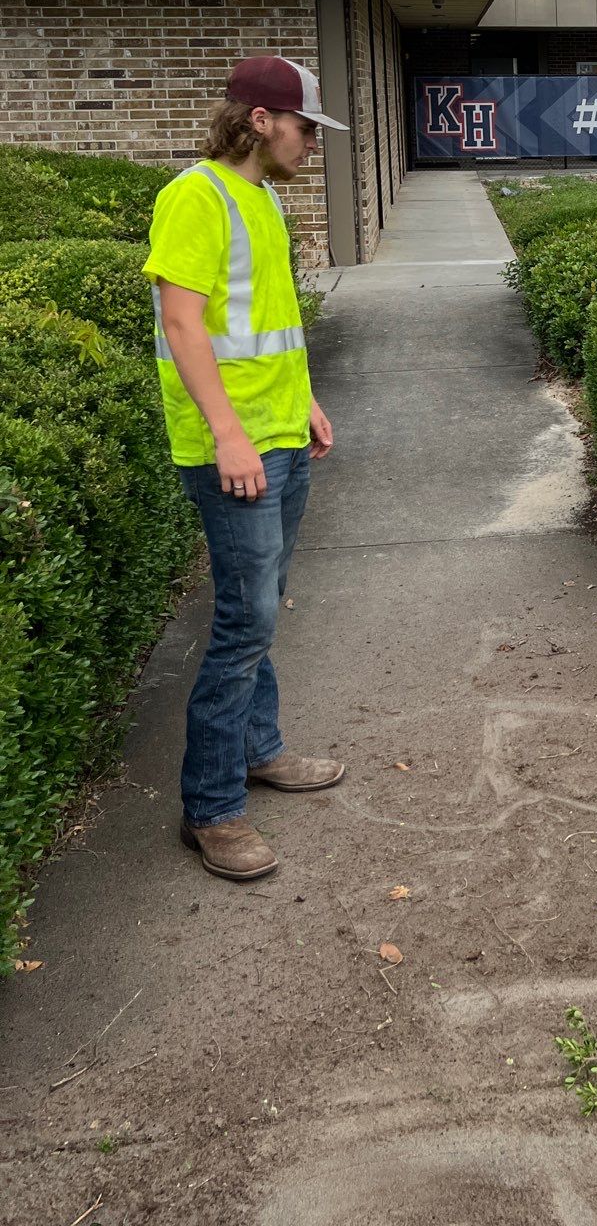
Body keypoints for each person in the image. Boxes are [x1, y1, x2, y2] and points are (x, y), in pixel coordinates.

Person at [144, 56, 348, 881]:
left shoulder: (261, 199)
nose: (311, 144)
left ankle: (259, 751)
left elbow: (271, 323)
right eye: (305, 128)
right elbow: (185, 327)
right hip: (233, 450)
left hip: (280, 437)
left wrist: (305, 402)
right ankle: (212, 809)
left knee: (261, 610)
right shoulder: (196, 195)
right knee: (242, 624)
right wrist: (228, 434)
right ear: (260, 120)